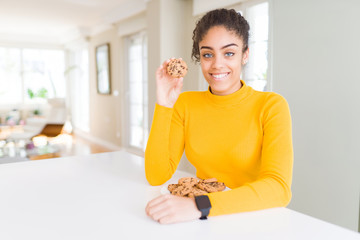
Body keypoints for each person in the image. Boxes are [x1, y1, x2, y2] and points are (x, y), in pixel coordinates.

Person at [145, 8, 293, 224]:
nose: (217, 64)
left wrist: (200, 205)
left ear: (245, 55)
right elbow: (156, 175)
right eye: (207, 54)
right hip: (203, 219)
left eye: (229, 53)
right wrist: (164, 104)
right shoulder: (185, 103)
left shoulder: (271, 106)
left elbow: (279, 188)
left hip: (251, 217)